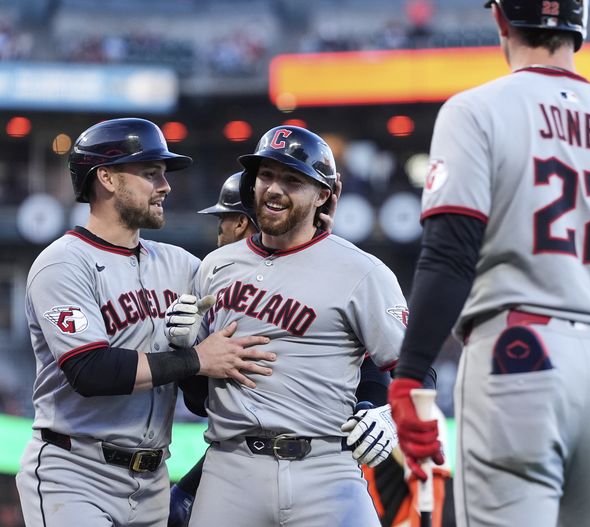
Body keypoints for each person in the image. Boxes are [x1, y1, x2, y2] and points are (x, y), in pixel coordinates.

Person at [387, 1, 590, 527]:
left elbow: (450, 256)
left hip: (519, 355)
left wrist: (410, 375)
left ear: (501, 20)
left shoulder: (476, 109)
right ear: (579, 25)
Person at [15, 118, 275, 527]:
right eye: (150, 173)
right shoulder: (62, 264)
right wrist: (194, 360)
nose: (165, 185)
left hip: (152, 479)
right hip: (75, 474)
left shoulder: (182, 265)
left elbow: (268, 293)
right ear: (107, 178)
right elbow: (90, 371)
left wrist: (313, 232)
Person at [165, 125, 407, 527]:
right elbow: (198, 399)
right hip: (231, 467)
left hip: (326, 468)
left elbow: (417, 369)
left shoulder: (362, 272)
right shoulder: (214, 267)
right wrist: (186, 352)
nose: (274, 189)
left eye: (293, 180)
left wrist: (390, 416)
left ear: (324, 195)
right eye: (266, 176)